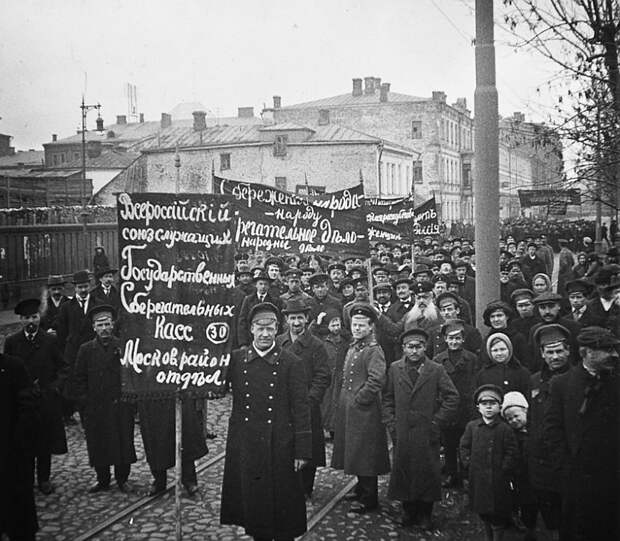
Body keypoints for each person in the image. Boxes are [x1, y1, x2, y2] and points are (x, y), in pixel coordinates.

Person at [220, 302, 312, 541]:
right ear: (251, 329)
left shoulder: (291, 363)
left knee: (283, 512)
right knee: (255, 508)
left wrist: (302, 449)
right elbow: (214, 386)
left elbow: (302, 409)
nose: (264, 334)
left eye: (270, 329)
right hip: (247, 444)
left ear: (276, 329)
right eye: (259, 328)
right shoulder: (236, 360)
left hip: (281, 444)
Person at [544, 326, 619, 541]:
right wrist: (566, 470)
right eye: (607, 349)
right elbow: (552, 431)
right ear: (585, 352)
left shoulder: (616, 382)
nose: (614, 355)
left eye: (614, 349)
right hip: (578, 479)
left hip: (613, 478)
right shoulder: (561, 384)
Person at [383, 327, 459, 529]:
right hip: (403, 432)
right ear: (403, 348)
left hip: (427, 432)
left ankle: (425, 514)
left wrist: (437, 422)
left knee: (427, 473)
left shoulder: (435, 369)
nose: (414, 351)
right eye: (410, 347)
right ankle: (408, 511)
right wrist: (391, 423)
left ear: (425, 347)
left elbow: (452, 397)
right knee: (404, 471)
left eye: (418, 347)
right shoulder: (395, 368)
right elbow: (387, 398)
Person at [4, 298, 68, 496]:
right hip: (22, 403)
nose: (31, 321)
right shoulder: (12, 342)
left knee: (44, 442)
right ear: (20, 320)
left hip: (45, 400)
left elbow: (64, 368)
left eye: (34, 317)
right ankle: (25, 479)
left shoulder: (50, 340)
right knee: (23, 442)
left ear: (40, 317)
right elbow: (6, 370)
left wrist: (54, 388)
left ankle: (44, 479)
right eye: (26, 318)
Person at [332, 304, 390, 514]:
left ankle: (369, 498)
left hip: (365, 411)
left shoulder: (374, 350)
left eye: (361, 325)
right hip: (350, 409)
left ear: (371, 327)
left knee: (366, 454)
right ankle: (360, 487)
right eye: (354, 325)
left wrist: (360, 400)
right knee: (354, 451)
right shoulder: (354, 346)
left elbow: (376, 380)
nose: (356, 329)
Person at [73, 305, 136, 493]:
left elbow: (132, 375)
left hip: (120, 406)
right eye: (100, 325)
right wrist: (85, 404)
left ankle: (122, 478)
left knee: (123, 442)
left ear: (113, 325)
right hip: (96, 408)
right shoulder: (86, 350)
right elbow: (79, 379)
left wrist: (130, 402)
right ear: (93, 327)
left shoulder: (124, 346)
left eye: (107, 324)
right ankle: (103, 479)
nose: (104, 329)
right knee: (98, 443)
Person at [276, 299, 330, 499]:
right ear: (286, 320)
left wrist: (310, 399)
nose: (296, 322)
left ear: (307, 319)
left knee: (309, 445)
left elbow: (323, 376)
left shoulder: (316, 345)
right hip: (283, 403)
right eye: (292, 318)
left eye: (300, 318)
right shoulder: (279, 342)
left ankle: (306, 487)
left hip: (307, 404)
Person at [527, 324, 571, 541]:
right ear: (542, 354)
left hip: (568, 457)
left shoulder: (577, 379)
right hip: (540, 459)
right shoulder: (535, 380)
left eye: (559, 351)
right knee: (548, 511)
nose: (555, 356)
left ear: (568, 351)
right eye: (550, 352)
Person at [460, 384, 518, 541]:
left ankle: (497, 536)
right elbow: (464, 447)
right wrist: (469, 463)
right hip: (478, 478)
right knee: (483, 510)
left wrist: (504, 468)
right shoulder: (472, 427)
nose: (489, 408)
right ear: (478, 407)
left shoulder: (505, 429)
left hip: (498, 479)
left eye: (493, 404)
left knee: (498, 513)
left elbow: (511, 451)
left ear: (500, 407)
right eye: (484, 405)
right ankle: (487, 536)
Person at [432, 319, 478, 489]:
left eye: (458, 338)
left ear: (463, 339)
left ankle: (467, 475)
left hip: (466, 408)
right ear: (445, 339)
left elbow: (475, 382)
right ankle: (452, 474)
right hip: (448, 407)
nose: (454, 342)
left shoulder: (472, 358)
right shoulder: (438, 360)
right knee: (449, 444)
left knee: (466, 443)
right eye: (450, 339)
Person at [0, 350, 39, 541]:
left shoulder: (13, 366)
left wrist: (18, 442)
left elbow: (28, 407)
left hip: (12, 453)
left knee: (19, 516)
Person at [56, 269, 100, 424]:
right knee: (78, 385)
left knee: (94, 382)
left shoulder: (98, 303)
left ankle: (94, 415)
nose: (83, 290)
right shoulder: (66, 307)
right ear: (74, 288)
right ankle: (83, 416)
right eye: (80, 287)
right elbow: (61, 333)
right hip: (74, 353)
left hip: (94, 351)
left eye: (85, 286)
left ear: (90, 286)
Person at [500, 391, 536, 541]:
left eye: (516, 416)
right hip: (519, 475)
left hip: (534, 473)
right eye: (509, 419)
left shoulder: (534, 432)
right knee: (521, 499)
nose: (513, 421)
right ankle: (520, 522)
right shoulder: (511, 436)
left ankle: (531, 525)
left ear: (525, 411)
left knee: (533, 502)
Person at [476, 332, 530, 397]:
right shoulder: (482, 375)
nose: (499, 353)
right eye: (495, 350)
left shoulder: (522, 373)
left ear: (509, 349)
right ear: (489, 352)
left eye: (502, 349)